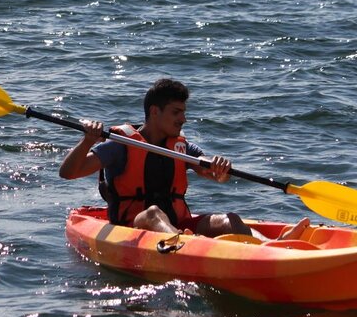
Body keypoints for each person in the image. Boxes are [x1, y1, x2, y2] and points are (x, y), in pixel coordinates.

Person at [59, 78, 309, 240]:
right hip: (132, 227)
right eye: (176, 112)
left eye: (184, 112)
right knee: (153, 213)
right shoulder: (122, 144)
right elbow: (68, 173)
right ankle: (185, 245)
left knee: (230, 219)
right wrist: (88, 140)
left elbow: (210, 171)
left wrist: (219, 168)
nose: (183, 119)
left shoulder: (181, 146)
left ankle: (273, 244)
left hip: (181, 224)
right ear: (154, 112)